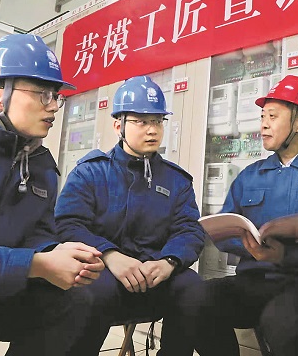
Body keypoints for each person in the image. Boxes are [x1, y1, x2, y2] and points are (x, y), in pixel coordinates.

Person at [179, 74, 298, 356]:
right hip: (256, 280)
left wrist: (286, 253)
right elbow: (226, 228)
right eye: (262, 116)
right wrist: (252, 247)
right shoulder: (251, 175)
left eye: (273, 116)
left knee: (282, 321)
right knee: (194, 299)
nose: (263, 124)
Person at [55, 75, 205, 356]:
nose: (152, 130)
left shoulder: (176, 179)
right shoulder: (91, 172)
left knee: (194, 288)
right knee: (91, 291)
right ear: (118, 125)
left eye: (158, 121)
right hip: (103, 275)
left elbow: (189, 229)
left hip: (154, 277)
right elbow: (68, 223)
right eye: (141, 121)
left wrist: (169, 261)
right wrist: (109, 255)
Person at [0, 33, 104, 355]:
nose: (54, 106)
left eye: (56, 95)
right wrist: (35, 264)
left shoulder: (39, 161)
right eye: (42, 93)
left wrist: (57, 252)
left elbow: (38, 230)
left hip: (3, 279)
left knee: (75, 300)